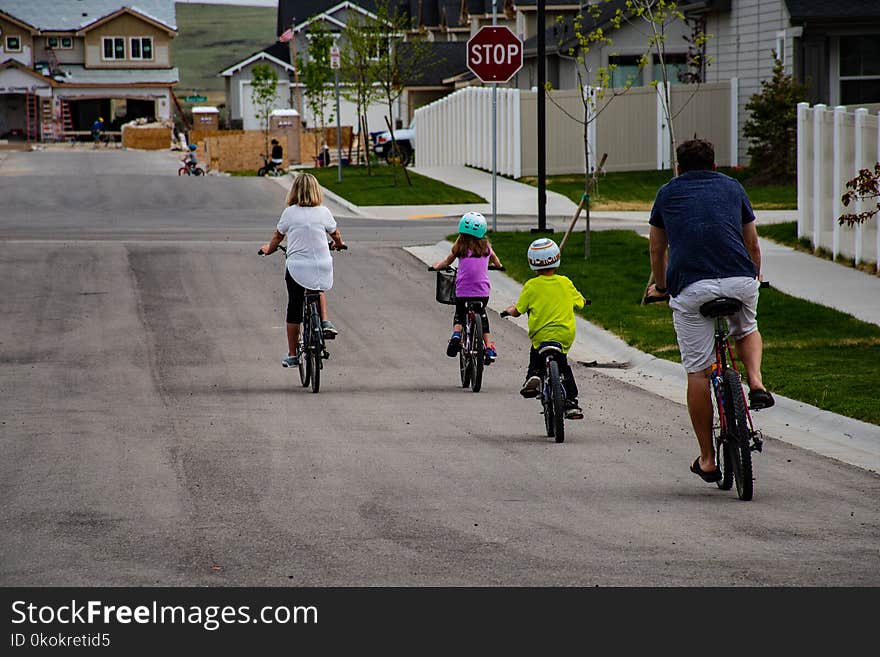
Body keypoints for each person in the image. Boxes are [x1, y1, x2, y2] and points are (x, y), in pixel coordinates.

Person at [644, 138, 773, 484]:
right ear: (715, 166)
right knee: (746, 328)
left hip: (692, 287)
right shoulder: (733, 187)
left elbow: (657, 247)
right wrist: (755, 276)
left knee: (699, 373)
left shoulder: (667, 193)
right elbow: (752, 243)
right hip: (740, 281)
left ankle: (707, 459)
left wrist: (661, 285)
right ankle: (756, 382)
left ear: (678, 168)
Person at [260, 172, 345, 368]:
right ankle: (325, 322)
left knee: (295, 306)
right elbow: (336, 233)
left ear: (294, 191)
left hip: (297, 267)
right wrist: (339, 244)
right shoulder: (324, 212)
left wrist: (268, 250)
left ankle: (292, 354)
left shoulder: (290, 212)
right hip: (322, 264)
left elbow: (277, 236)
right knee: (316, 287)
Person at [502, 238, 586, 420]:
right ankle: (571, 402)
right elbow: (580, 302)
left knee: (536, 353)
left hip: (541, 336)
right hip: (564, 335)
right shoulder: (565, 283)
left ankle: (533, 377)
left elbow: (518, 311)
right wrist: (584, 301)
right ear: (557, 258)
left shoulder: (531, 286)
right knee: (563, 365)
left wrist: (509, 310)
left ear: (532, 262)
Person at [431, 212, 503, 363]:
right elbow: (496, 261)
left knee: (460, 313)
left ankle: (456, 335)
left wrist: (437, 266)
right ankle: (489, 347)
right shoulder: (486, 247)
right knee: (482, 315)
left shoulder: (460, 247)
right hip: (482, 293)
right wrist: (498, 266)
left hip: (463, 291)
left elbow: (446, 262)